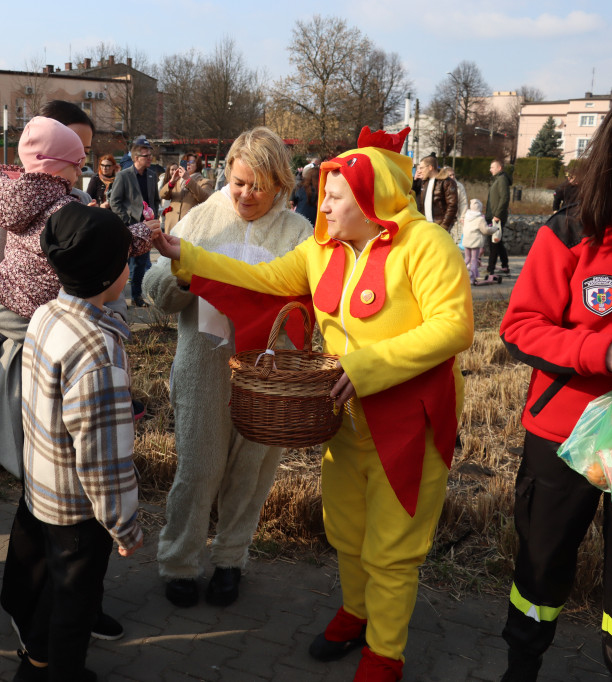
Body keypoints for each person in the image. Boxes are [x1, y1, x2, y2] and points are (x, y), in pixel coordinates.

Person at [150, 126, 474, 681]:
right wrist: (187, 255)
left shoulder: (428, 245)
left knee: (393, 548)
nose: (320, 203)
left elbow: (455, 327)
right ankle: (355, 613)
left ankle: (385, 654)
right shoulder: (321, 252)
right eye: (323, 192)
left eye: (334, 195)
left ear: (371, 199)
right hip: (345, 416)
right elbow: (260, 278)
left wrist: (365, 366)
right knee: (346, 528)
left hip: (408, 422)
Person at [0, 100, 128, 650]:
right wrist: (53, 333)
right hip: (31, 367)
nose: (79, 169)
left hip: (75, 356)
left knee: (76, 505)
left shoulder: (75, 201)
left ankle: (78, 605)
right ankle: (26, 606)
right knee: (38, 497)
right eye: (74, 152)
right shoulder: (4, 206)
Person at [497, 86, 612, 682]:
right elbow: (518, 328)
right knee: (541, 565)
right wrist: (601, 350)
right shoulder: (572, 230)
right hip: (564, 432)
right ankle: (521, 666)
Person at [142, 127, 313, 610]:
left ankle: (230, 561)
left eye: (259, 186)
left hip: (268, 375)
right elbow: (155, 290)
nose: (246, 194)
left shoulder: (297, 233)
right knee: (199, 469)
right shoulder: (201, 220)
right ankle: (179, 562)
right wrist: (189, 277)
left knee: (252, 473)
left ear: (281, 184)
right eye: (239, 182)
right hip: (203, 365)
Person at [0, 116, 153, 419]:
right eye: (76, 162)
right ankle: (121, 398)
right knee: (103, 342)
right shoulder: (64, 208)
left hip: (11, 292)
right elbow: (108, 244)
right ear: (56, 164)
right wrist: (144, 233)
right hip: (53, 302)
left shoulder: (12, 200)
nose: (80, 170)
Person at [14, 201, 143, 682]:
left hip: (41, 490)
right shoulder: (98, 351)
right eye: (126, 258)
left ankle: (35, 664)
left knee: (53, 586)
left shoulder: (48, 313)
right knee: (75, 604)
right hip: (79, 511)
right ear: (110, 272)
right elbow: (102, 459)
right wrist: (124, 525)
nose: (130, 266)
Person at [108, 138, 160, 307]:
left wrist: (154, 218)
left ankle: (137, 297)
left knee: (141, 264)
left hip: (147, 227)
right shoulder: (124, 175)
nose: (150, 158)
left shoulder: (152, 175)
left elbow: (155, 200)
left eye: (151, 155)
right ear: (136, 158)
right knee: (122, 264)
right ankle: (118, 298)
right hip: (128, 227)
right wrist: (127, 221)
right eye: (146, 156)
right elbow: (114, 201)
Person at [159, 153, 214, 233]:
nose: (188, 164)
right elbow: (162, 194)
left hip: (190, 227)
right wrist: (172, 182)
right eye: (185, 161)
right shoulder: (176, 181)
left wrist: (188, 179)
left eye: (191, 162)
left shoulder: (204, 182)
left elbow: (204, 198)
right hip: (172, 225)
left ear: (197, 165)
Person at [414, 154, 458, 232]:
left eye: (421, 168)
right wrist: (415, 180)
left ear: (430, 167)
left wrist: (444, 225)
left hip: (440, 226)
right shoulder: (424, 182)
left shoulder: (447, 182)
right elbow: (414, 195)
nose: (419, 170)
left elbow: (452, 205)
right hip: (425, 225)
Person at [486, 158, 512, 276]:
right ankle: (505, 265)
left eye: (492, 167)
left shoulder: (501, 179)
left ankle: (490, 268)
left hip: (496, 217)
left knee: (494, 243)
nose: (490, 169)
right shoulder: (498, 179)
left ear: (499, 168)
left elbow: (504, 198)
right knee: (498, 241)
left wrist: (497, 215)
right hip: (493, 215)